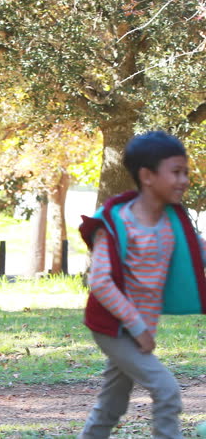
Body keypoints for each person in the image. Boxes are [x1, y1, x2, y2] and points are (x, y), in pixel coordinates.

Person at [78, 130, 206, 439]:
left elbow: (197, 251)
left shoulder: (171, 220)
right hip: (114, 327)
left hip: (138, 327)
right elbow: (101, 282)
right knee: (167, 391)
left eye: (185, 172)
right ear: (147, 176)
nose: (184, 180)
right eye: (176, 172)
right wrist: (136, 326)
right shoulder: (116, 222)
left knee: (112, 403)